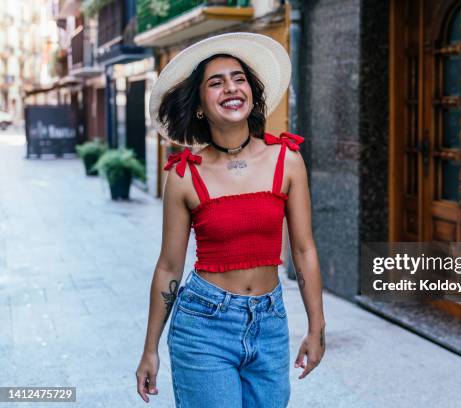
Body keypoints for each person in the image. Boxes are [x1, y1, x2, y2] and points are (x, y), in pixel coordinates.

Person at [135, 32, 326, 407]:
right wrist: (150, 349)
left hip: (270, 324)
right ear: (201, 106)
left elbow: (304, 250)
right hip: (203, 326)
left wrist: (317, 325)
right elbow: (170, 265)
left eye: (239, 79)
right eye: (216, 82)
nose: (231, 88)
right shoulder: (184, 175)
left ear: (251, 93)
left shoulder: (286, 159)